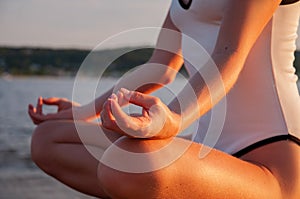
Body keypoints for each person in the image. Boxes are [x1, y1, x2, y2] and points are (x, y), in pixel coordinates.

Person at [28, 0, 300, 198]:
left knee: (129, 163)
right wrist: (84, 112)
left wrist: (173, 120)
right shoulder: (179, 3)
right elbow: (161, 68)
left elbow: (228, 54)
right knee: (49, 139)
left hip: (271, 163)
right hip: (210, 153)